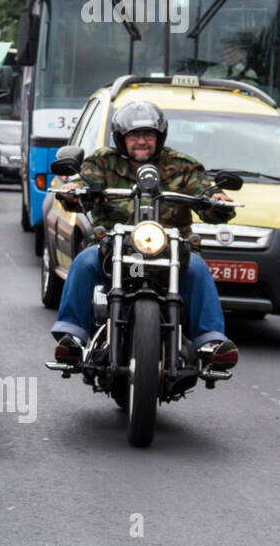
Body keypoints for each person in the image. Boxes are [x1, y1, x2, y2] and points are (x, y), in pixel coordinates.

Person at [51, 100, 239, 370]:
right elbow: (84, 182)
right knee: (84, 261)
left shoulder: (182, 166)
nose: (142, 141)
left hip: (171, 250)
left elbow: (206, 191)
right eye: (134, 135)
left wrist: (216, 199)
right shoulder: (103, 161)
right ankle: (73, 337)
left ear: (159, 137)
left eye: (148, 135)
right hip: (113, 246)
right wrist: (74, 189)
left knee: (197, 268)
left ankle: (210, 342)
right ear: (120, 138)